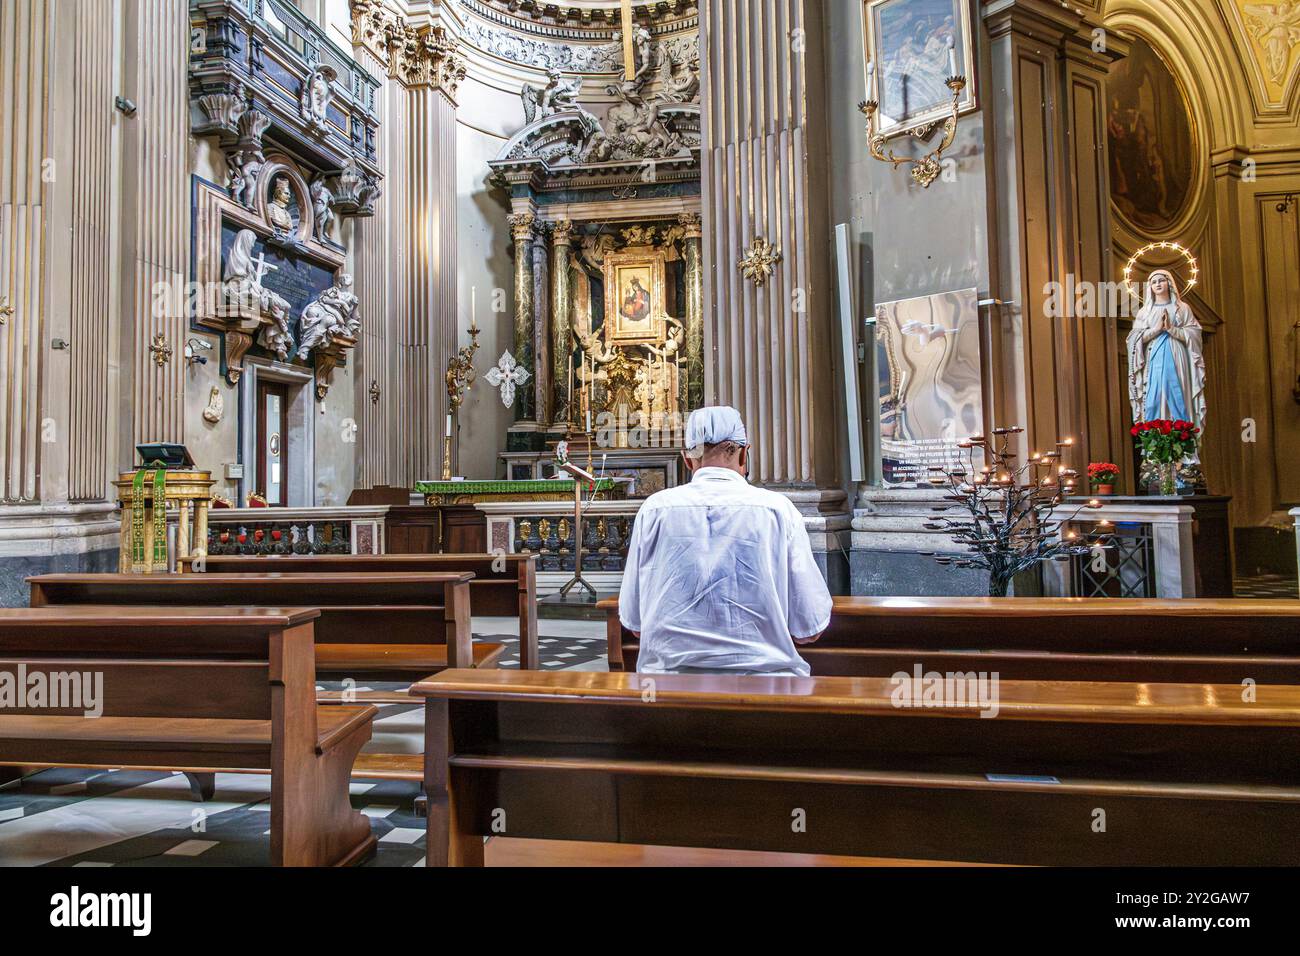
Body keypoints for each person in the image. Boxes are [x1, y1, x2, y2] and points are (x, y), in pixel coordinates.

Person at [618, 406, 833, 677]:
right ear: (744, 453)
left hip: (666, 691)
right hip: (765, 690)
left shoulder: (654, 510)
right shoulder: (777, 510)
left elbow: (634, 624)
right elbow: (810, 628)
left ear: (687, 461)